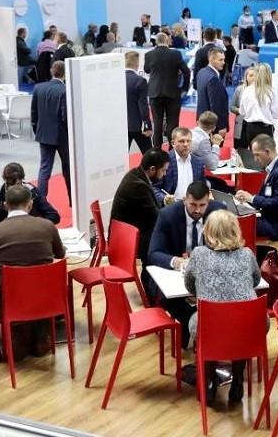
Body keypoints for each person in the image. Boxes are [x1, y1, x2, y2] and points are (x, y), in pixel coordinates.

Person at [0, 184, 66, 363]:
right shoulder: (47, 226)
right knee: (40, 283)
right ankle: (41, 339)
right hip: (45, 295)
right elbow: (60, 254)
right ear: (30, 204)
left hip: (9, 297)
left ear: (5, 205)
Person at [184, 209, 262, 404]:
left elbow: (189, 286)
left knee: (203, 322)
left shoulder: (199, 254)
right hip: (247, 328)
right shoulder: (247, 254)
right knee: (241, 325)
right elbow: (255, 280)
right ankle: (238, 379)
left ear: (208, 232)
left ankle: (210, 381)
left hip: (211, 328)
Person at [145, 182, 226, 350]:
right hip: (174, 274)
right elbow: (153, 253)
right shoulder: (167, 215)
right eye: (193, 204)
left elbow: (228, 248)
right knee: (178, 305)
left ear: (208, 202)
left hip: (208, 274)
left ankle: (209, 343)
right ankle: (193, 335)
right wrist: (178, 262)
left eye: (202, 205)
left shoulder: (219, 212)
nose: (197, 210)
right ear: (184, 200)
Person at [235, 134, 278, 244]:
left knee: (232, 225)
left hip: (275, 226)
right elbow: (266, 197)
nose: (255, 159)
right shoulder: (274, 168)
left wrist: (252, 198)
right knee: (232, 220)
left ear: (267, 152)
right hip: (266, 218)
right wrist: (246, 200)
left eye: (257, 155)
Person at [110, 148, 168, 261]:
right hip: (126, 241)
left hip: (126, 233)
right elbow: (156, 218)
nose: (164, 174)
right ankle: (151, 271)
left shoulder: (135, 174)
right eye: (163, 170)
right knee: (166, 237)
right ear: (152, 169)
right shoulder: (138, 187)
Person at [31, 61, 71, 203]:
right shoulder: (65, 90)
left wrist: (37, 130)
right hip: (62, 136)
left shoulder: (38, 88)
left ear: (51, 71)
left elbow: (34, 113)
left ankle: (40, 202)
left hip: (44, 134)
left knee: (44, 169)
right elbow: (65, 116)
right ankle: (73, 200)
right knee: (68, 169)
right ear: (65, 74)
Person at [144, 32, 191, 149]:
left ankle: (157, 149)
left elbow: (147, 70)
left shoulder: (149, 54)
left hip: (155, 92)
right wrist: (184, 88)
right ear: (167, 41)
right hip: (173, 92)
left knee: (157, 123)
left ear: (156, 41)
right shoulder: (175, 54)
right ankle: (172, 149)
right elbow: (187, 71)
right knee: (172, 123)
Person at [0, 162, 60, 226]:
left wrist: (35, 225)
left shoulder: (33, 192)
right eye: (12, 182)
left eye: (19, 182)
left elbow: (53, 216)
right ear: (5, 180)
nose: (16, 188)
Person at [152, 127, 206, 206]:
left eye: (188, 141)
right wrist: (164, 198)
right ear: (173, 143)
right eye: (181, 141)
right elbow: (154, 188)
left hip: (193, 206)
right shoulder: (163, 161)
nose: (185, 144)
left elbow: (202, 186)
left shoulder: (198, 162)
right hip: (171, 206)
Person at [240, 63, 278, 146]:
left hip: (250, 128)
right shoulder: (271, 91)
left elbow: (242, 111)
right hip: (265, 128)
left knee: (254, 152)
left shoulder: (247, 90)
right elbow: (275, 114)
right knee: (267, 152)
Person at [195, 49, 229, 136]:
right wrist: (221, 126)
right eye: (220, 60)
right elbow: (215, 104)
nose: (223, 63)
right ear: (211, 60)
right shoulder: (213, 78)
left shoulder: (201, 72)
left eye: (224, 60)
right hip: (211, 125)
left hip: (202, 120)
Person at [124, 50, 152, 154]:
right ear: (136, 63)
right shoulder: (140, 81)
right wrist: (147, 125)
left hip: (121, 125)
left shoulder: (116, 80)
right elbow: (143, 105)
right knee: (149, 156)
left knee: (121, 157)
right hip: (137, 125)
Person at [230, 66, 257, 150]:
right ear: (246, 77)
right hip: (242, 125)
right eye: (251, 75)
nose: (253, 78)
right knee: (240, 151)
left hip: (255, 125)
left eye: (255, 76)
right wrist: (241, 111)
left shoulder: (260, 91)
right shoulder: (239, 90)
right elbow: (232, 107)